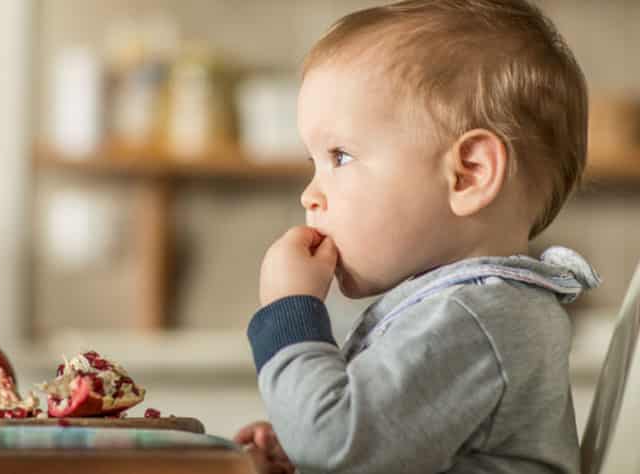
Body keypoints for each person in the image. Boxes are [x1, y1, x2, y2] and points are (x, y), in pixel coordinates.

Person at [233, 1, 602, 473]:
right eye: (315, 162)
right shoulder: (467, 309)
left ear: (468, 174)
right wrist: (302, 453)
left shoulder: (476, 319)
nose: (311, 195)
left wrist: (288, 313)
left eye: (340, 156)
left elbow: (338, 443)